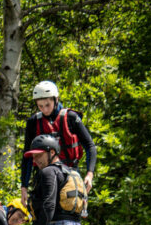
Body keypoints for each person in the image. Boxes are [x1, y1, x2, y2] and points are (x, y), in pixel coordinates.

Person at [20, 80, 97, 208]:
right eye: (40, 106)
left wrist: (90, 173)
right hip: (44, 175)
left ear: (56, 100)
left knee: (71, 208)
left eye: (47, 104)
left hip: (70, 173)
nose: (44, 109)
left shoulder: (71, 117)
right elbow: (27, 156)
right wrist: (24, 186)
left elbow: (90, 146)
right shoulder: (33, 122)